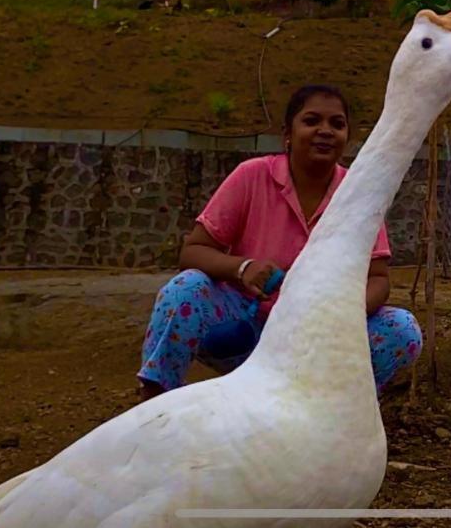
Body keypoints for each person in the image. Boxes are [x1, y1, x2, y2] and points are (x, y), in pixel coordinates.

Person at [137, 84, 422, 401]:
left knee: (402, 330)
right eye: (312, 121)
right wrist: (243, 268)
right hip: (245, 327)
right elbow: (192, 251)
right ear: (287, 133)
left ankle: (320, 411)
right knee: (185, 289)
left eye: (336, 124)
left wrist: (339, 314)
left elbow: (378, 278)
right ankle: (155, 399)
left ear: (348, 138)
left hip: (316, 342)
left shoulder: (358, 193)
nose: (325, 131)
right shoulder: (251, 176)